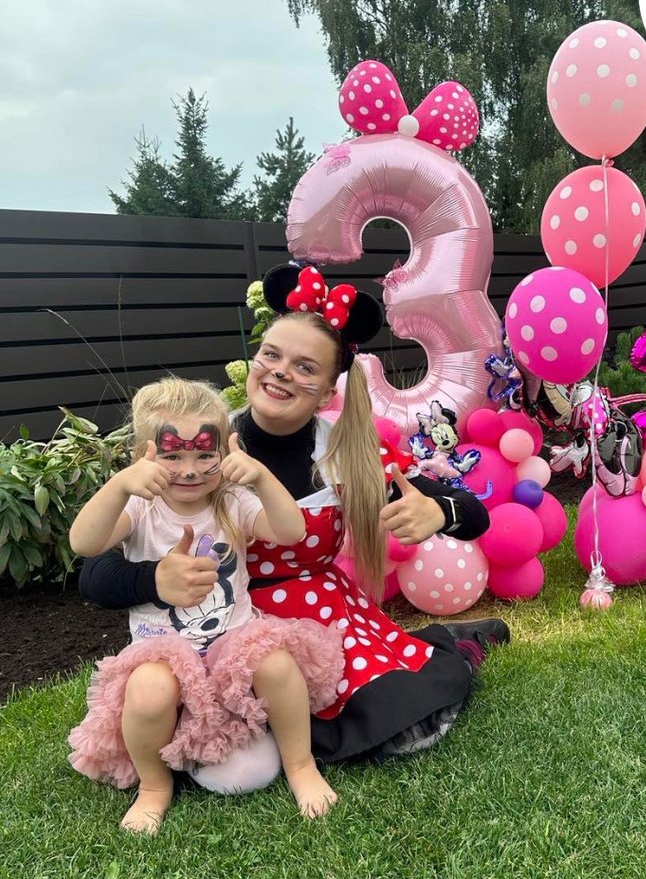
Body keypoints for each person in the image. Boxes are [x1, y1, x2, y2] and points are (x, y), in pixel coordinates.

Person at [79, 265, 509, 790]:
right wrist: (152, 579)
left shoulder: (345, 449)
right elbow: (94, 573)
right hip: (221, 631)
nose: (281, 372)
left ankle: (452, 645)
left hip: (320, 621)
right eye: (272, 355)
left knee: (395, 718)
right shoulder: (199, 449)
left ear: (328, 390)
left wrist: (440, 513)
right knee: (226, 765)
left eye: (305, 366)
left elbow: (474, 514)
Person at [67, 376, 346, 834]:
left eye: (204, 455)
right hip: (162, 651)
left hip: (233, 648)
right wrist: (120, 486)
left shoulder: (231, 500)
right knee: (149, 690)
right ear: (144, 456)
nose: (190, 470)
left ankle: (301, 765)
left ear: (225, 450)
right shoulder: (140, 507)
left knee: (277, 664)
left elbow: (291, 531)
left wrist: (260, 476)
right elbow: (84, 542)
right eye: (173, 456)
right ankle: (154, 786)